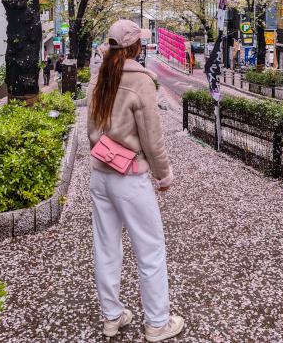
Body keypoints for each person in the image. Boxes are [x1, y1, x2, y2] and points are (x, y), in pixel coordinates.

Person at [87, 20, 184, 342]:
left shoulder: (99, 76)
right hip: (130, 178)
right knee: (150, 251)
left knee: (106, 248)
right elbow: (152, 136)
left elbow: (91, 129)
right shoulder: (141, 80)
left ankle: (112, 318)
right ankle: (157, 323)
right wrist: (163, 174)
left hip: (100, 174)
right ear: (134, 47)